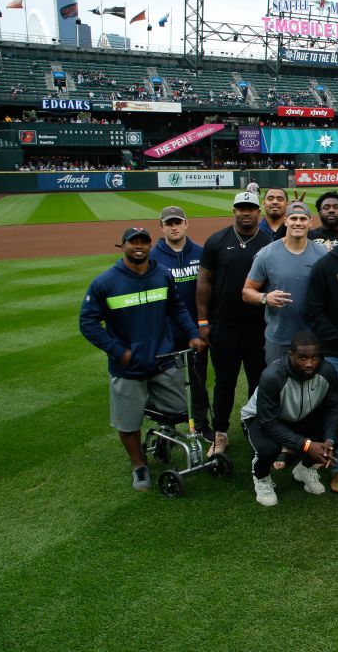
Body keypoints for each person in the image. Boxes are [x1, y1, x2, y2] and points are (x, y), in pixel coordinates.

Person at [79, 227, 206, 490]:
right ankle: (139, 466)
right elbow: (88, 322)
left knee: (180, 411)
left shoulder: (162, 274)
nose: (139, 247)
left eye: (143, 242)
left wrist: (193, 333)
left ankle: (161, 436)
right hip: (128, 367)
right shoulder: (105, 282)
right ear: (122, 246)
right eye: (132, 242)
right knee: (128, 422)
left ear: (151, 245)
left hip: (162, 360)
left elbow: (177, 307)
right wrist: (119, 352)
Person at [196, 192, 272, 457]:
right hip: (224, 325)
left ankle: (256, 429)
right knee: (224, 382)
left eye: (251, 208)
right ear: (234, 211)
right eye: (241, 208)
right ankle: (220, 433)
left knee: (258, 381)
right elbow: (204, 282)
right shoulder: (217, 240)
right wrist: (203, 320)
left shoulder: (268, 241)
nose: (246, 213)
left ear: (258, 212)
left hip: (258, 327)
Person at [239, 330, 338, 506]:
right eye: (302, 358)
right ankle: (261, 478)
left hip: (297, 417)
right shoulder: (272, 376)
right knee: (268, 449)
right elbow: (268, 422)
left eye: (314, 357)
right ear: (291, 356)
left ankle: (305, 469)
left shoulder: (327, 371)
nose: (309, 364)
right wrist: (307, 445)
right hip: (260, 419)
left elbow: (335, 408)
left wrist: (328, 441)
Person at [151, 205, 212, 440]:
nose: (174, 227)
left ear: (186, 224)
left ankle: (201, 424)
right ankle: (168, 429)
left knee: (197, 381)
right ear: (162, 227)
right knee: (167, 383)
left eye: (178, 222)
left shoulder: (201, 252)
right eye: (169, 223)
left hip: (196, 331)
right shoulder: (153, 257)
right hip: (165, 333)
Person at [243, 200, 325, 365]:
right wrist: (265, 298)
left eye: (303, 219)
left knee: (310, 387)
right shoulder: (266, 254)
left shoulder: (322, 255)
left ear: (310, 223)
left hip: (312, 336)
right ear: (286, 221)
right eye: (293, 218)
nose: (298, 223)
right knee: (278, 385)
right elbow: (247, 292)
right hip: (279, 337)